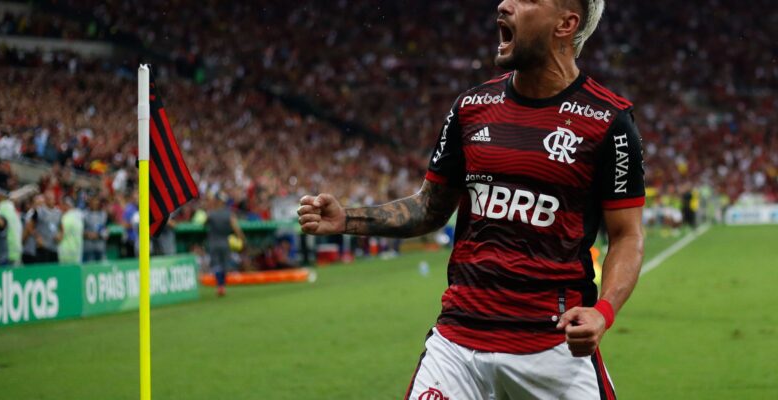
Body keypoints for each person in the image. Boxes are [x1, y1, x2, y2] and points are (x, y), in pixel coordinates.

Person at [297, 1, 645, 398]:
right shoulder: (471, 108)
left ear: (565, 24)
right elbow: (430, 207)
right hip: (458, 345)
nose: (504, 3)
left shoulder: (608, 121)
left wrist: (603, 312)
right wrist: (348, 220)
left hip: (554, 348)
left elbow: (627, 236)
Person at [206, 193, 245, 296]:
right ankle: (222, 286)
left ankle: (220, 286)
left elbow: (204, 222)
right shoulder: (229, 214)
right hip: (225, 242)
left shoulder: (211, 213)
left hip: (214, 242)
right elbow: (236, 228)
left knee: (216, 265)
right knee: (224, 265)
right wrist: (242, 238)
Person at [23, 191, 62, 263]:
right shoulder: (37, 212)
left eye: (52, 198)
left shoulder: (58, 212)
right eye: (48, 198)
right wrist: (37, 237)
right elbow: (29, 225)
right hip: (40, 248)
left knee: (53, 270)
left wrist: (60, 235)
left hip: (53, 247)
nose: (50, 200)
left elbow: (61, 227)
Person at [0, 187, 22, 266]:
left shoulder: (2, 208)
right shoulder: (12, 209)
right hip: (16, 250)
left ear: (0, 195)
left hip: (7, 252)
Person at [57, 197, 84, 264]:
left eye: (61, 205)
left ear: (66, 205)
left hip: (66, 253)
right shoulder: (79, 218)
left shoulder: (66, 218)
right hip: (77, 251)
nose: (60, 208)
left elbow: (60, 236)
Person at [83, 195, 109, 262]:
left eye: (96, 201)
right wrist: (88, 234)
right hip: (88, 248)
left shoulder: (103, 215)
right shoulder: (84, 214)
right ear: (90, 202)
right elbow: (80, 231)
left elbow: (106, 230)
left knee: (102, 268)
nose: (95, 203)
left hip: (100, 247)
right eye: (93, 201)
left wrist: (99, 234)